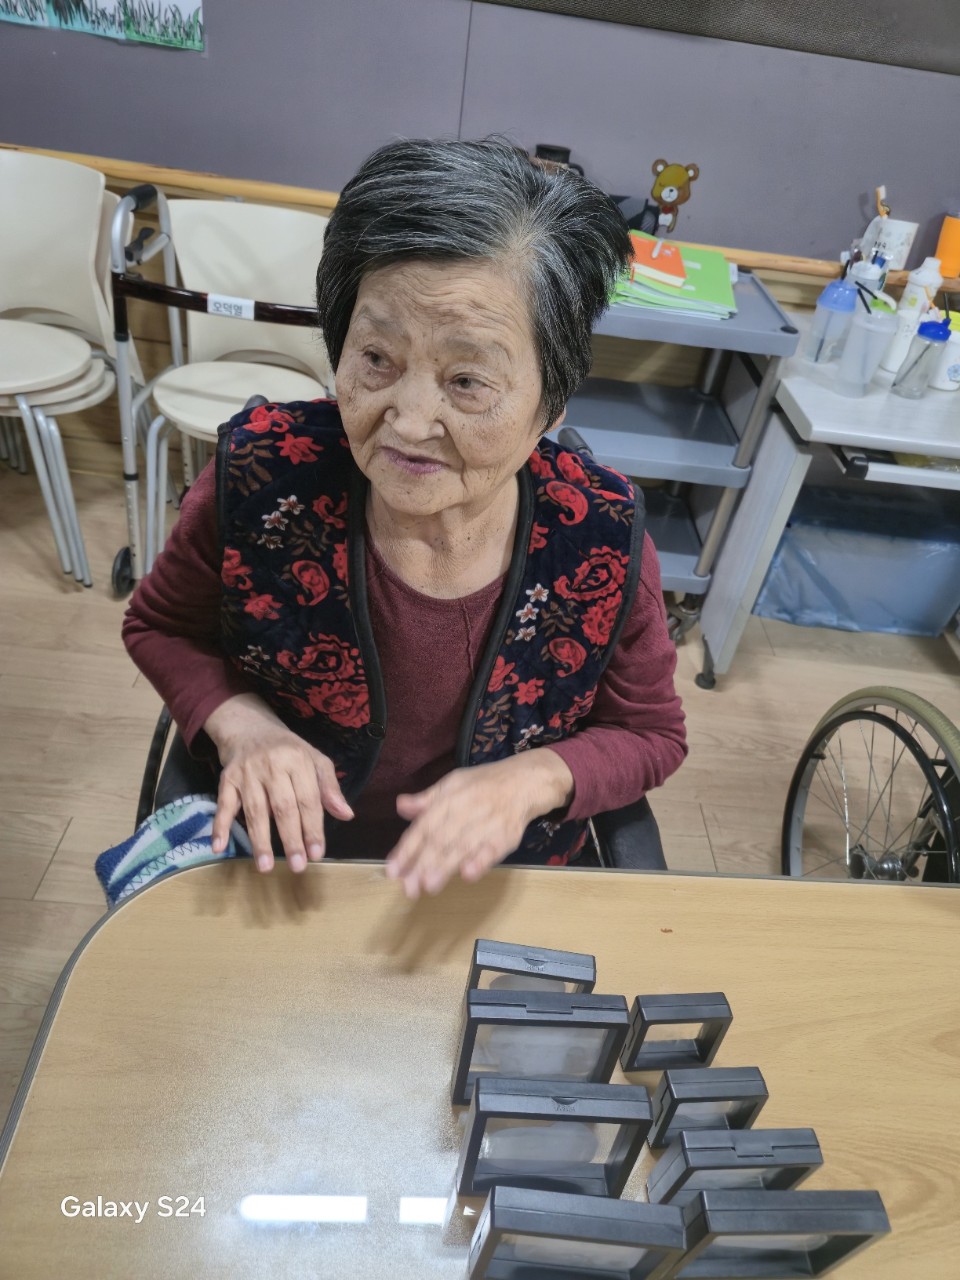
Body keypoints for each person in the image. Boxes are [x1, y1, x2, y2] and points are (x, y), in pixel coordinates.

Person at [123, 138, 687, 898]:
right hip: (285, 862)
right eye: (376, 359)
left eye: (467, 381)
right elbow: (160, 627)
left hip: (487, 879)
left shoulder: (602, 538)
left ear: (551, 403)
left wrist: (536, 778)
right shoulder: (259, 479)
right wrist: (242, 724)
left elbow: (648, 733)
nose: (409, 422)